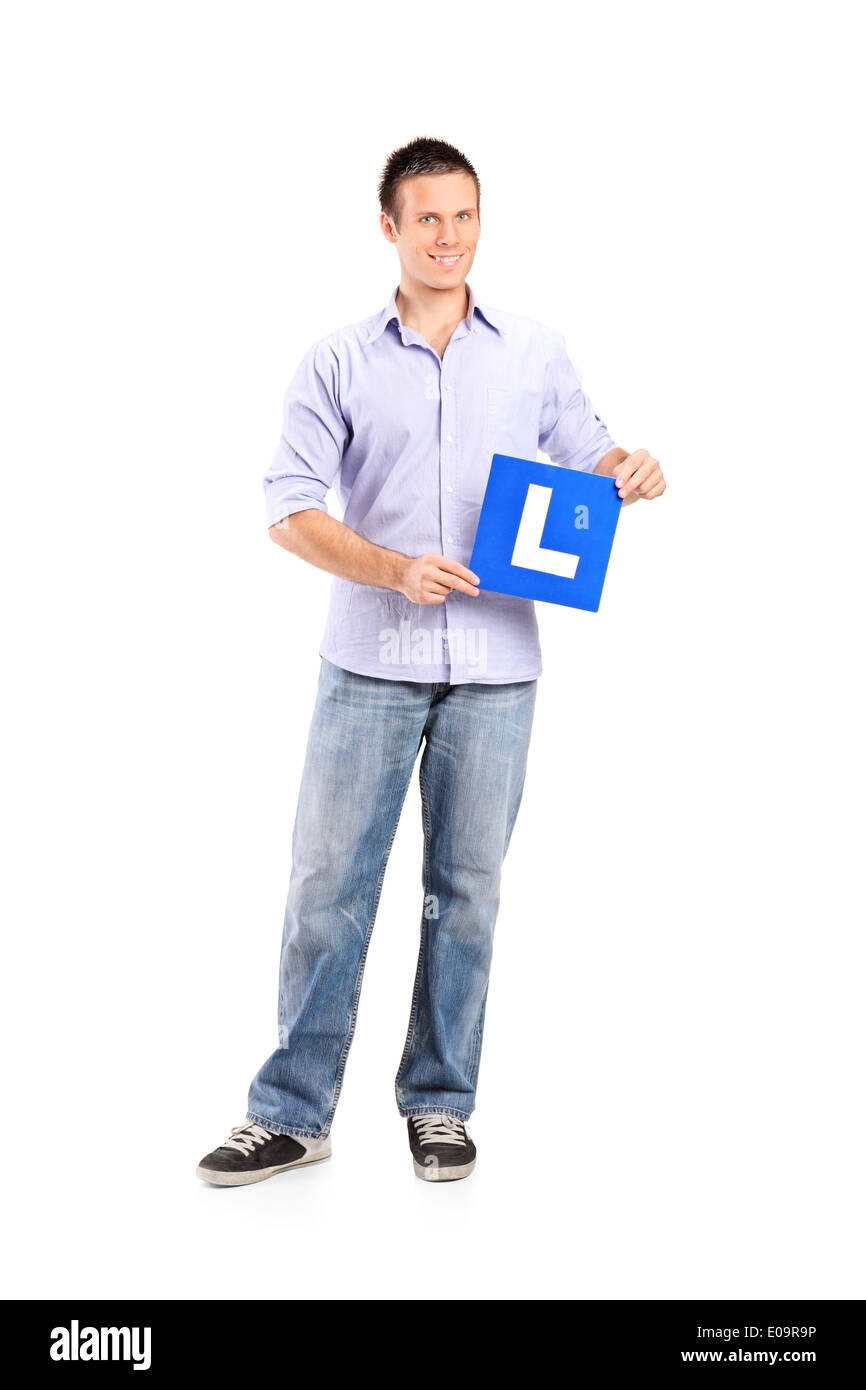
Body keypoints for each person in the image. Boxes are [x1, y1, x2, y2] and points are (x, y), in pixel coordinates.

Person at [196, 136, 666, 1187]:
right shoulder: (335, 361)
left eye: (462, 216)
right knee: (328, 886)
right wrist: (389, 567)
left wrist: (625, 465)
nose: (447, 237)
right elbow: (289, 508)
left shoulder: (534, 351)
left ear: (477, 222)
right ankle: (289, 1111)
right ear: (388, 228)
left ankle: (440, 1104)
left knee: (467, 891)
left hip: (497, 667)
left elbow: (587, 445)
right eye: (426, 219)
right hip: (368, 659)